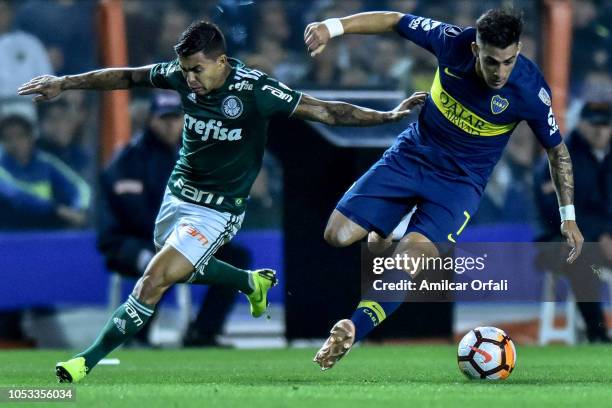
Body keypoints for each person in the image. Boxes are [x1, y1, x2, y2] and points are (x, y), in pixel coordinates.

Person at [18, 20, 426, 383]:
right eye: (185, 70)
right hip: (177, 197)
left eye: (197, 69)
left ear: (222, 61)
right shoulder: (181, 77)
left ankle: (83, 363)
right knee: (176, 266)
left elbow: (327, 112)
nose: (190, 79)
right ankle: (250, 281)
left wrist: (387, 116)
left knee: (155, 279)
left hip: (218, 210)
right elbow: (127, 77)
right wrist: (65, 82)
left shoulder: (256, 90)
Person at [304, 9, 585, 370]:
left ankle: (351, 329)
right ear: (475, 48)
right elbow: (394, 20)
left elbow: (557, 151)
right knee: (336, 235)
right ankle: (389, 229)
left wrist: (568, 217)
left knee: (411, 260)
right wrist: (333, 26)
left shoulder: (530, 90)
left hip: (459, 184)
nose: (500, 72)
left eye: (508, 61)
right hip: (411, 156)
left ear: (518, 51)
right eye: (491, 61)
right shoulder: (451, 41)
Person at [97, 90, 248, 347]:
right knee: (160, 261)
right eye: (164, 118)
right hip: (126, 242)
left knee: (236, 257)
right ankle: (137, 336)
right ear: (151, 119)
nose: (170, 125)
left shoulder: (192, 154)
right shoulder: (129, 158)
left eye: (176, 118)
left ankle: (202, 333)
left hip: (177, 237)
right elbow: (134, 215)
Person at [535, 101, 611, 343]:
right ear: (581, 124)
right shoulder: (559, 153)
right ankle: (596, 332)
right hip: (559, 240)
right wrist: (599, 236)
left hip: (607, 238)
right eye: (594, 125)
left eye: (606, 125)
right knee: (580, 255)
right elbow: (550, 209)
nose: (600, 131)